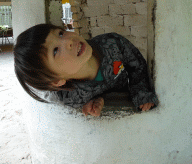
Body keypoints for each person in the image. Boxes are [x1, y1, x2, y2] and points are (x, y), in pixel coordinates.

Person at [14, 23, 158, 117]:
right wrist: (97, 99)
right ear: (57, 81)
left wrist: (140, 91)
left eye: (60, 33)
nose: (68, 41)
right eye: (55, 51)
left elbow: (137, 64)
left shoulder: (114, 44)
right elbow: (45, 95)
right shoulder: (71, 97)